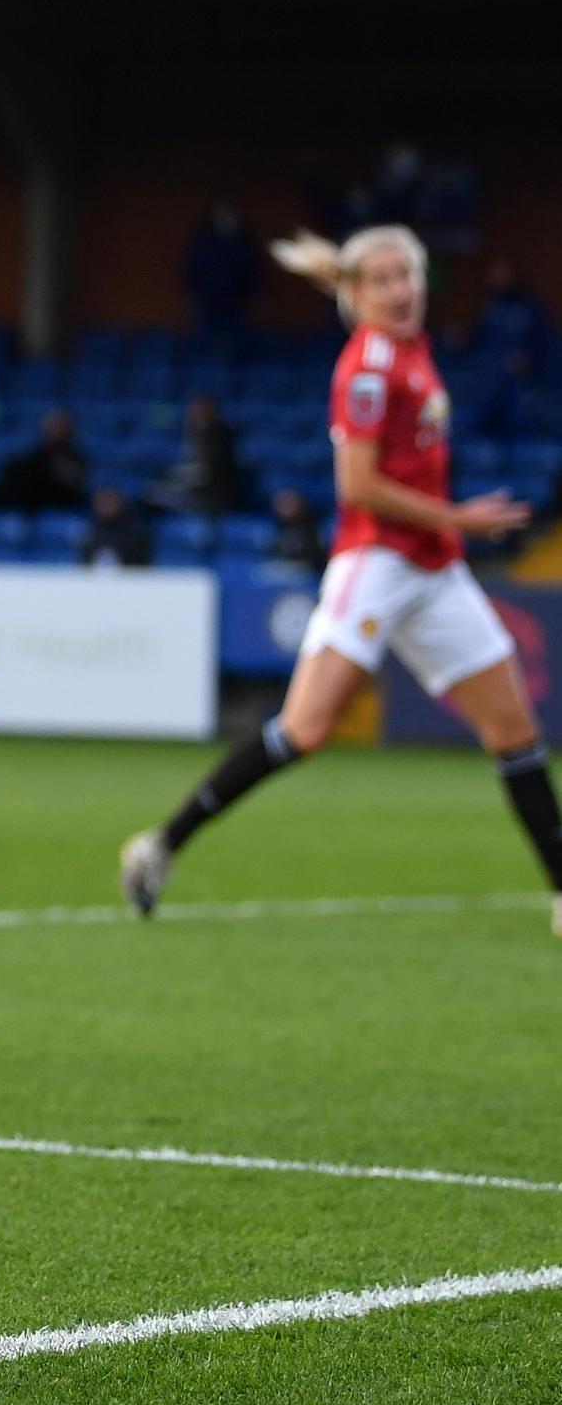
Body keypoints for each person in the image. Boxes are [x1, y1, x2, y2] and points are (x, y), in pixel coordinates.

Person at [120, 227, 562, 940]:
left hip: (433, 567)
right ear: (353, 296)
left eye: (407, 276)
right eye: (381, 280)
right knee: (305, 729)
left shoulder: (414, 350)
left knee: (513, 729)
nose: (399, 290)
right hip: (377, 564)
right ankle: (160, 845)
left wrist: (445, 530)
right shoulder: (364, 368)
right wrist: (456, 516)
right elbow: (356, 485)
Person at [151, 393, 239, 517]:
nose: (196, 413)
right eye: (194, 409)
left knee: (160, 494)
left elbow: (207, 471)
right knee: (151, 494)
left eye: (202, 409)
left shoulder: (221, 436)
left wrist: (176, 479)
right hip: (194, 488)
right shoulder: (190, 432)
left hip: (215, 494)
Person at [0, 408, 87, 513]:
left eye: (61, 427)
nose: (57, 431)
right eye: (53, 427)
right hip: (27, 508)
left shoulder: (78, 460)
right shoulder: (28, 460)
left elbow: (73, 493)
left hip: (60, 509)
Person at [182, 201, 260, 333]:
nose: (226, 218)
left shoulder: (246, 241)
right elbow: (191, 272)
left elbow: (254, 274)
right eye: (222, 213)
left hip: (238, 306)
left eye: (230, 213)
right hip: (207, 305)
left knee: (238, 342)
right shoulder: (202, 241)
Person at [79, 486, 150, 568]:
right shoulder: (87, 531)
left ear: (120, 503)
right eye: (103, 502)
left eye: (110, 502)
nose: (106, 506)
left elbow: (141, 567)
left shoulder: (136, 533)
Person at [268, 488, 326, 573]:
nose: (285, 507)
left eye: (289, 503)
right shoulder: (275, 527)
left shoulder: (313, 528)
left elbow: (315, 558)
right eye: (282, 503)